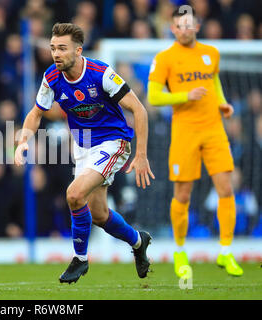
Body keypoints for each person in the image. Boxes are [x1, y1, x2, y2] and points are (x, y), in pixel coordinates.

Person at [14, 23, 155, 284]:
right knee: (99, 215)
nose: (56, 54)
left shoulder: (101, 74)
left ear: (78, 51)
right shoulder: (51, 77)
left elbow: (140, 110)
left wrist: (142, 155)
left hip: (113, 142)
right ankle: (138, 241)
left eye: (62, 48)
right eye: (53, 48)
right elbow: (35, 113)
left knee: (74, 194)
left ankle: (80, 259)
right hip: (83, 146)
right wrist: (23, 141)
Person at [147, 6, 243, 277]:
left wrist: (223, 104)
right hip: (185, 132)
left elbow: (214, 83)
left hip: (214, 130)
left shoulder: (211, 54)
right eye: (179, 25)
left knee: (226, 188)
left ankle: (225, 252)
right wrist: (185, 96)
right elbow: (154, 97)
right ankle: (179, 251)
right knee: (183, 195)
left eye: (189, 24)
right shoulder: (165, 58)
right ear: (173, 28)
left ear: (196, 26)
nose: (184, 29)